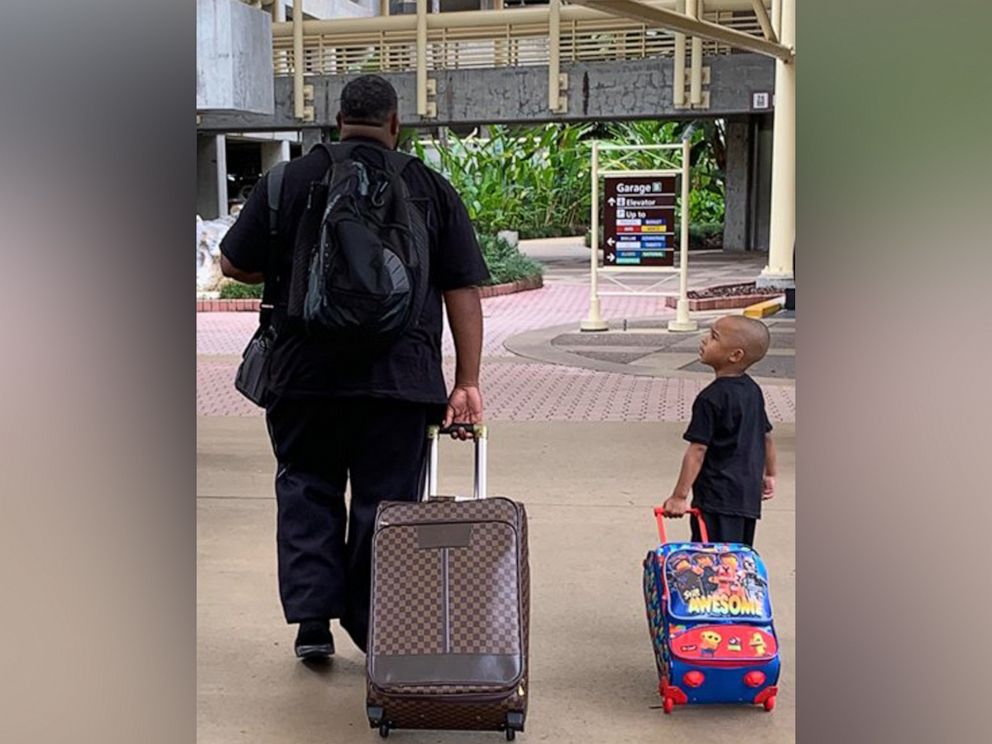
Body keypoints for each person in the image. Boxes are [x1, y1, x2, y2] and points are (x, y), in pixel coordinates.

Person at [219, 75, 489, 658]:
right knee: (386, 504)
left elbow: (234, 264)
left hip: (303, 377)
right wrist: (466, 381)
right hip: (400, 381)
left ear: (336, 120)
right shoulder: (430, 187)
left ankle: (313, 623)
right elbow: (462, 289)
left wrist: (301, 266)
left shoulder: (285, 180)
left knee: (306, 489)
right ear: (396, 124)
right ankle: (375, 630)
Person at [661, 315, 777, 547]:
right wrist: (770, 474)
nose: (704, 340)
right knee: (736, 563)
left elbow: (698, 450)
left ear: (735, 355)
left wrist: (679, 496)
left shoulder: (710, 398)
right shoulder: (752, 390)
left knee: (713, 564)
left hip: (717, 497)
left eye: (714, 337)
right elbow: (766, 436)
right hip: (746, 498)